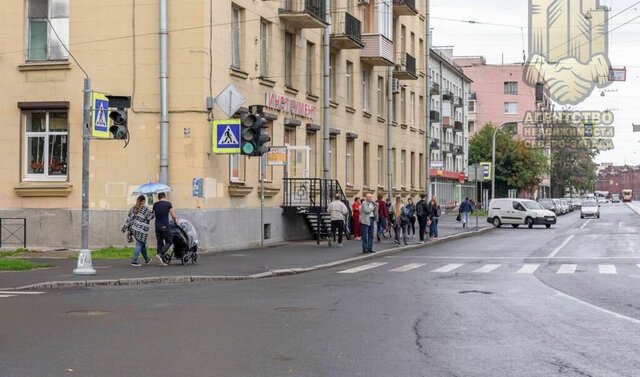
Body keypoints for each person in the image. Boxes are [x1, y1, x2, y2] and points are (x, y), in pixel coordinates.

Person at [121, 195, 155, 267]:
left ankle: (147, 259)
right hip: (142, 231)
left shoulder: (133, 208)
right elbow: (150, 217)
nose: (145, 201)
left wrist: (125, 227)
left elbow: (129, 219)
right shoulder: (145, 208)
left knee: (142, 244)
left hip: (134, 229)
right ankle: (134, 261)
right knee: (139, 244)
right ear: (143, 201)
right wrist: (153, 211)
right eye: (144, 200)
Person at [152, 192, 178, 266]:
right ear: (165, 196)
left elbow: (153, 214)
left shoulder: (155, 205)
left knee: (159, 243)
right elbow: (173, 215)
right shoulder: (168, 204)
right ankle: (160, 254)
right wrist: (176, 220)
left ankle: (161, 261)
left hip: (157, 226)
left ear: (158, 197)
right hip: (165, 226)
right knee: (169, 241)